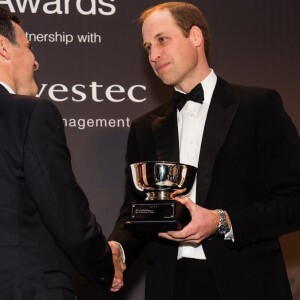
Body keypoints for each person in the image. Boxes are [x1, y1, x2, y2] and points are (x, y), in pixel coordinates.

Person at [109, 2, 300, 300]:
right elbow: (136, 211)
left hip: (246, 283)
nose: (154, 55)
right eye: (148, 47)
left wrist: (220, 221)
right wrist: (118, 249)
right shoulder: (144, 128)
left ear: (195, 36)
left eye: (162, 40)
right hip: (170, 286)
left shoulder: (258, 107)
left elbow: (294, 200)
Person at [0, 7, 125, 300]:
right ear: (4, 48)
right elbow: (65, 213)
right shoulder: (31, 113)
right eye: (30, 48)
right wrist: (105, 265)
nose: (36, 61)